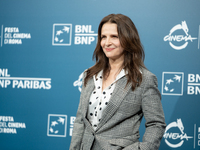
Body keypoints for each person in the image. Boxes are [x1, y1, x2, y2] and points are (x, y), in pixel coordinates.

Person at [70, 14, 166, 150]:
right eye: (103, 37)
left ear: (128, 39)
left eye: (114, 37)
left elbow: (156, 124)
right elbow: (80, 121)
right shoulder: (90, 75)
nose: (107, 42)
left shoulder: (144, 79)